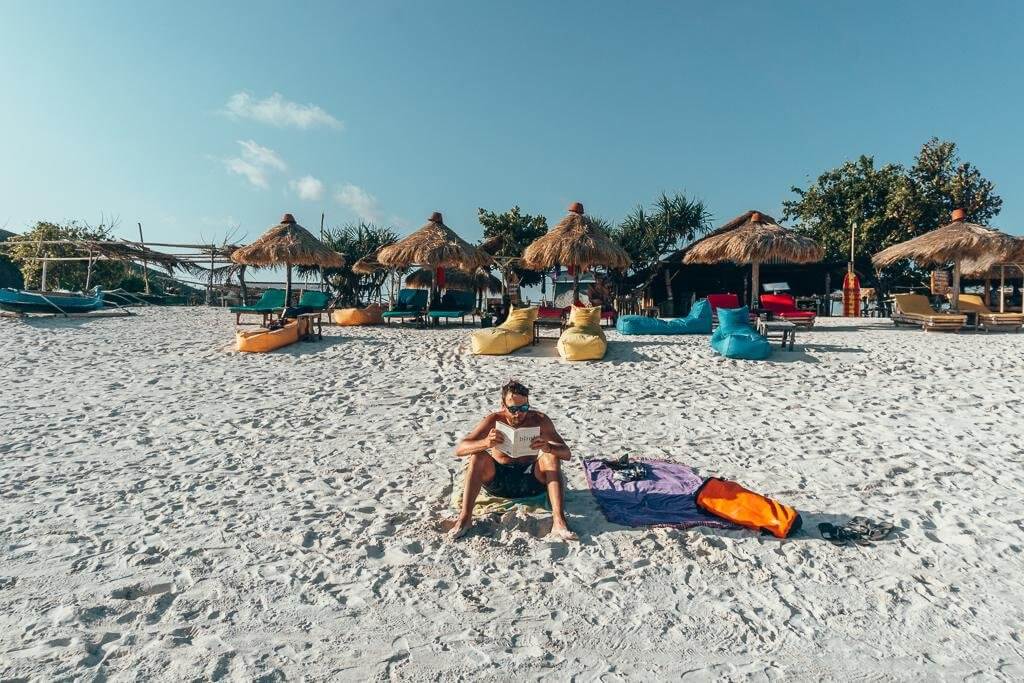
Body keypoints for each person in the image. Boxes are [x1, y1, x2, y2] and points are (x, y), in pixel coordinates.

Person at [449, 380, 576, 541]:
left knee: (551, 457)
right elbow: (460, 449)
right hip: (499, 480)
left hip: (530, 480)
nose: (519, 413)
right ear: (503, 405)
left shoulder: (539, 420)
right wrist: (486, 443)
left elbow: (567, 453)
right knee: (478, 456)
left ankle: (559, 520)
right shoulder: (493, 420)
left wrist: (548, 447)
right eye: (513, 409)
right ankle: (465, 519)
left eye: (523, 408)